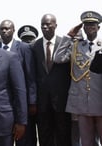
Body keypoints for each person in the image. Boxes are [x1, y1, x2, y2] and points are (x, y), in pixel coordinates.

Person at [54, 11, 102, 146]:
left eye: (93, 24)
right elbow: (58, 58)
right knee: (86, 141)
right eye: (86, 25)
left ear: (98, 27)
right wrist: (68, 36)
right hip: (82, 102)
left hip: (99, 100)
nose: (89, 27)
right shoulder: (76, 46)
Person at [32, 13, 71, 146]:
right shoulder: (34, 46)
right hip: (42, 102)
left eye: (48, 24)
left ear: (55, 25)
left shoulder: (64, 44)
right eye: (43, 24)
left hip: (61, 101)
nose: (45, 26)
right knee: (44, 135)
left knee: (63, 135)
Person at [0, 19, 37, 146]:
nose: (4, 31)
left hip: (22, 103)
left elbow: (30, 77)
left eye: (7, 28)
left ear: (13, 30)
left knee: (24, 139)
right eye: (2, 28)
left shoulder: (23, 48)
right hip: (2, 103)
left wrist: (32, 102)